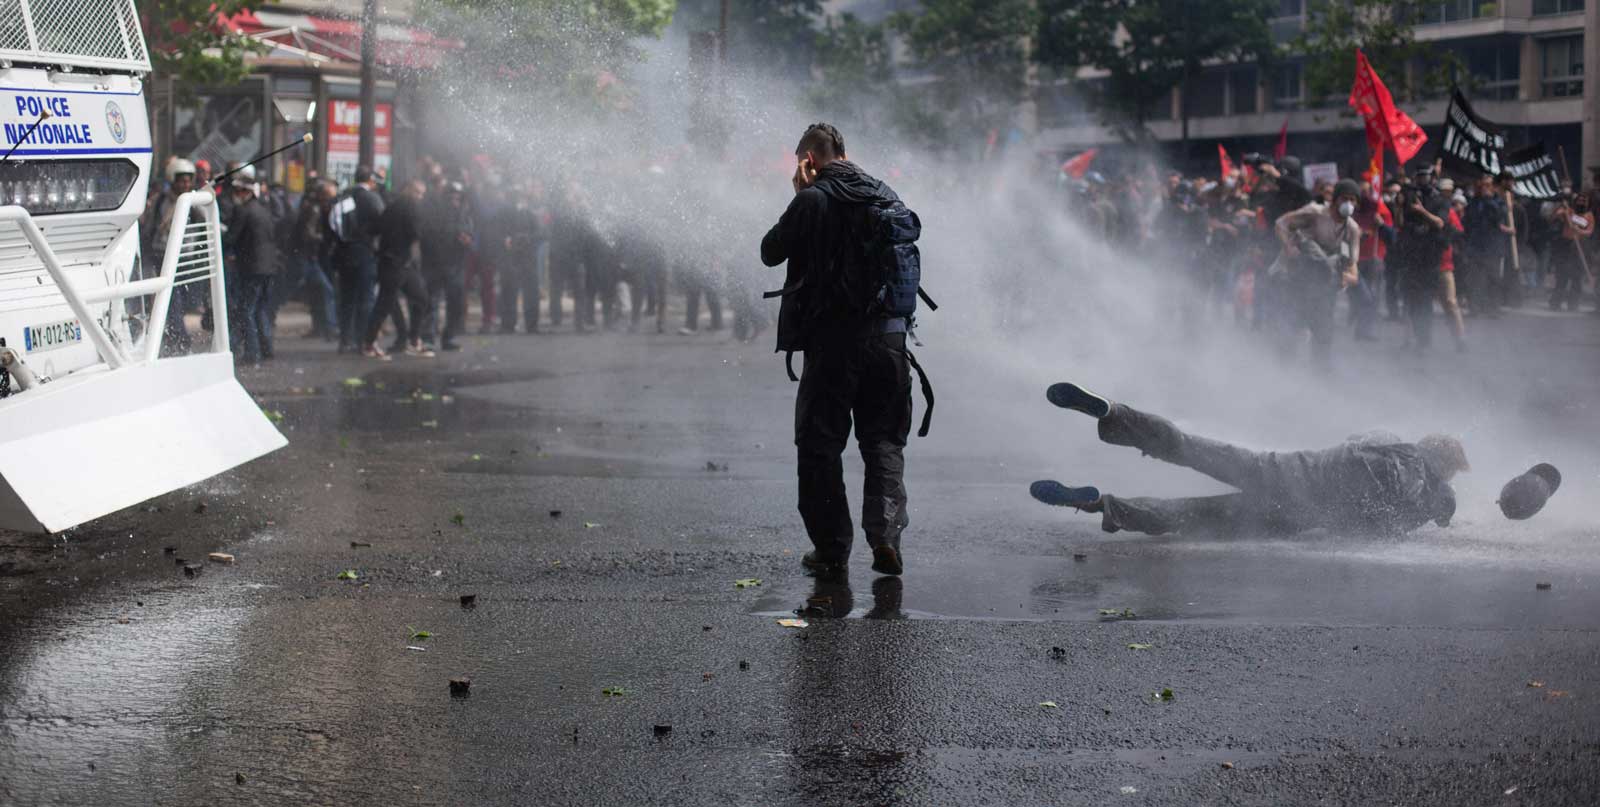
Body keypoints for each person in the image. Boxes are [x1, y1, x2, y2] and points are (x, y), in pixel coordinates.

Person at [759, 123, 916, 577]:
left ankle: (832, 548)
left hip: (834, 345)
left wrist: (798, 195)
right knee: (883, 441)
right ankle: (886, 538)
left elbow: (771, 252)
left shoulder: (812, 199)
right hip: (890, 341)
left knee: (820, 445)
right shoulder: (884, 193)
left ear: (809, 159)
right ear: (844, 153)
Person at [1030, 382, 1467, 537]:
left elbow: (1355, 439)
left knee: (1188, 446)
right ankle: (1101, 505)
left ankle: (1116, 415)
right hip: (1293, 515)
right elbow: (1367, 530)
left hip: (1285, 470)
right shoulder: (1418, 506)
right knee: (1187, 517)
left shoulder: (1391, 442)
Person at [1273, 178, 1361, 368]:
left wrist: (1347, 277)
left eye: (1353, 200)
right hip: (1298, 278)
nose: (1349, 204)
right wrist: (1289, 247)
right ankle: (1282, 369)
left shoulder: (1352, 229)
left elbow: (1352, 266)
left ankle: (1320, 376)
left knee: (1323, 333)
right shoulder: (1315, 213)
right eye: (1345, 198)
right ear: (1336, 199)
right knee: (1291, 326)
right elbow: (1281, 223)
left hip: (1325, 286)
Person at [364, 179, 433, 358]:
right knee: (388, 303)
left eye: (422, 194)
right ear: (409, 190)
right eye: (418, 193)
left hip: (398, 262)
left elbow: (376, 228)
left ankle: (411, 341)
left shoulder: (392, 206)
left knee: (417, 298)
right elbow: (416, 232)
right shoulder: (409, 206)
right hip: (396, 262)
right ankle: (370, 344)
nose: (420, 197)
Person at [140, 158, 198, 354]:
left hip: (185, 259)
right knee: (170, 300)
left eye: (189, 181)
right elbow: (150, 228)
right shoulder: (162, 201)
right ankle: (176, 339)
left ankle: (178, 339)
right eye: (182, 180)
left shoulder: (194, 202)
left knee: (176, 301)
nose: (186, 185)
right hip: (162, 255)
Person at [328, 166, 385, 352]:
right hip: (365, 253)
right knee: (365, 299)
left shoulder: (344, 196)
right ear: (370, 180)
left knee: (346, 298)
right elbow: (382, 222)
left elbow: (332, 223)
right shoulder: (373, 199)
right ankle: (362, 339)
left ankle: (345, 340)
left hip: (345, 252)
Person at [224, 173, 280, 365]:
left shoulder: (242, 210)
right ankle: (267, 348)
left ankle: (252, 353)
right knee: (261, 309)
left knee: (247, 310)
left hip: (252, 267)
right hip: (269, 267)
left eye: (238, 191)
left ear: (244, 192)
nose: (236, 195)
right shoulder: (263, 210)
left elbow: (232, 237)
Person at [419, 181, 474, 350]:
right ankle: (428, 337)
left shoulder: (464, 215)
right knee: (431, 302)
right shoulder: (433, 214)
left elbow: (470, 236)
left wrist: (466, 241)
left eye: (457, 197)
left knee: (455, 303)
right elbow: (425, 236)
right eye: (451, 196)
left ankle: (448, 337)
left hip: (455, 265)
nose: (454, 200)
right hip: (435, 264)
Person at [1549, 192, 1593, 311]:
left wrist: (1578, 229)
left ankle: (1573, 304)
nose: (1581, 202)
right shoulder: (1568, 211)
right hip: (1566, 246)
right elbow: (1553, 217)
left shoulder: (1589, 215)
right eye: (1579, 200)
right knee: (1562, 276)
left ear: (1587, 203)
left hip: (1580, 248)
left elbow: (1589, 230)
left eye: (1584, 201)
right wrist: (1561, 211)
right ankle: (1555, 303)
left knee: (1576, 278)